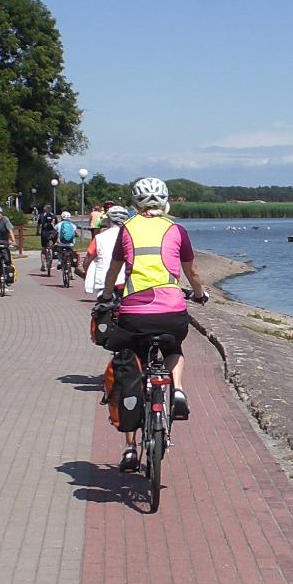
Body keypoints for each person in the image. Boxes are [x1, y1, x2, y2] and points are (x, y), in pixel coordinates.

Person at [97, 177, 208, 471]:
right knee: (175, 349)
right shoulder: (177, 230)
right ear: (166, 200)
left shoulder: (126, 230)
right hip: (172, 310)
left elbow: (114, 270)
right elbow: (192, 272)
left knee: (130, 367)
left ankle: (131, 450)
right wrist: (200, 294)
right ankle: (179, 390)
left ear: (135, 203)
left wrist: (107, 296)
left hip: (134, 314)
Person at [83, 204, 130, 296]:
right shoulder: (132, 237)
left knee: (102, 307)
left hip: (105, 282)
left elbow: (87, 260)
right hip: (127, 282)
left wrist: (86, 272)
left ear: (108, 220)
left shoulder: (99, 238)